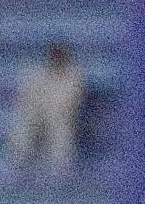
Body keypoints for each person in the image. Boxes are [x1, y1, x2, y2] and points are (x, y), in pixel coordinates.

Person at [6, 43, 86, 172]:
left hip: (59, 115)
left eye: (60, 57)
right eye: (54, 57)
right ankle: (18, 166)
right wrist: (39, 111)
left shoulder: (74, 75)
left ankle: (60, 168)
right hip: (37, 113)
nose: (57, 60)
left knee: (60, 127)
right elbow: (27, 97)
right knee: (23, 125)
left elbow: (71, 102)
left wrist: (50, 110)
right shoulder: (37, 74)